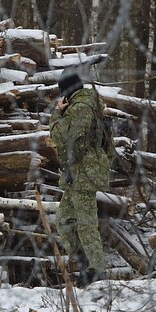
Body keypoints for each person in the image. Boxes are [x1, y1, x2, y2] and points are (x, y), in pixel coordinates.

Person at [49, 69, 114, 285]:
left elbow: (65, 138)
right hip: (81, 172)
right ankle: (85, 262)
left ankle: (96, 270)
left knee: (86, 223)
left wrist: (57, 115)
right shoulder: (91, 105)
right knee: (64, 221)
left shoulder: (82, 108)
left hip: (84, 172)